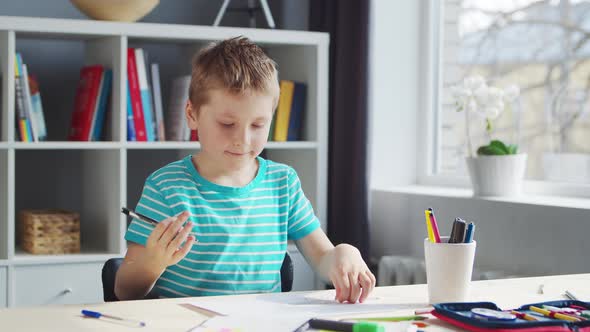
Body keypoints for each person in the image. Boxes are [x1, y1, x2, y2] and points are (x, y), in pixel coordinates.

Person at [115, 36, 375, 303]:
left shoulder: (282, 182)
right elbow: (124, 290)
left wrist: (344, 253)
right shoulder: (166, 187)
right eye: (227, 124)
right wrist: (153, 263)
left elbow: (322, 256)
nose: (243, 140)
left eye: (258, 125)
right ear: (192, 115)